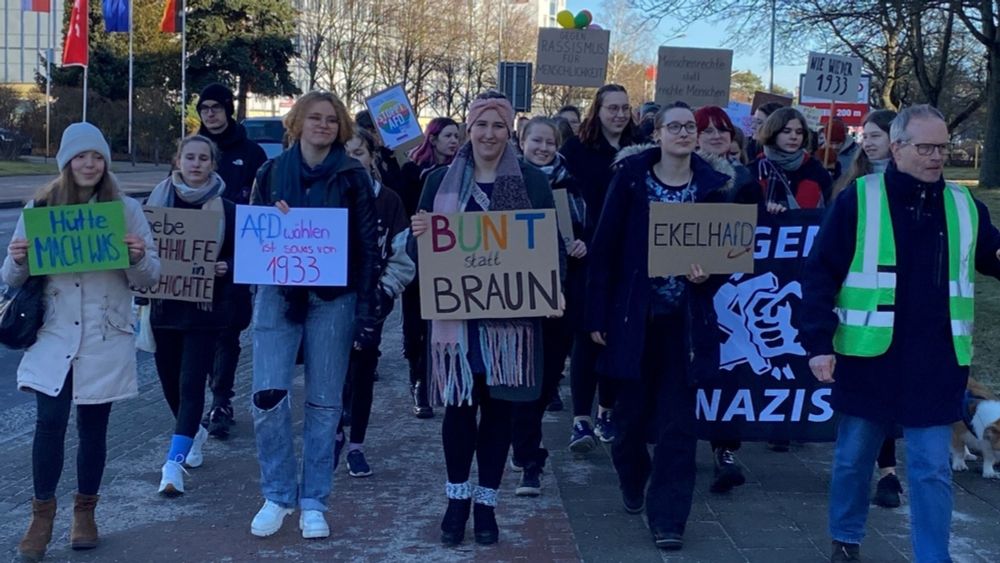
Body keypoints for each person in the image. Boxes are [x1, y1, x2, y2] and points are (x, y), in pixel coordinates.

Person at [801, 105, 1000, 563]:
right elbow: (820, 274)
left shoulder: (965, 205)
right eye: (926, 147)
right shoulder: (859, 199)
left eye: (943, 147)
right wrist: (817, 343)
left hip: (938, 361)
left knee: (932, 469)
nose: (937, 156)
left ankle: (934, 557)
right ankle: (845, 538)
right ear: (897, 147)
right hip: (870, 360)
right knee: (853, 460)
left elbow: (993, 254)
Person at [4, 123, 160, 561]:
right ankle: (40, 516)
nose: (89, 164)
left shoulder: (125, 209)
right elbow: (9, 278)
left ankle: (85, 512)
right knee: (48, 424)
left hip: (104, 332)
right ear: (66, 162)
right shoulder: (41, 205)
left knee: (94, 427)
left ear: (105, 163)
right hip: (54, 331)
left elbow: (151, 277)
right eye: (80, 157)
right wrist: (18, 260)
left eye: (96, 157)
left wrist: (138, 257)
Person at [410, 91, 557, 547]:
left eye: (498, 126)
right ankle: (457, 499)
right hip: (458, 319)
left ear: (508, 130)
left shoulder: (532, 182)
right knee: (458, 407)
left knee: (499, 410)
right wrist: (418, 234)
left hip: (510, 320)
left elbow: (547, 245)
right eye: (481, 126)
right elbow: (422, 255)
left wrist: (553, 289)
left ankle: (488, 501)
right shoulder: (438, 182)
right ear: (467, 131)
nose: (488, 134)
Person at [586, 102, 732, 551]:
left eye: (691, 127)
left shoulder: (713, 187)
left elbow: (724, 257)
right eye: (676, 126)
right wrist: (596, 316)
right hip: (634, 319)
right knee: (629, 422)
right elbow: (604, 249)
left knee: (677, 425)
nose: (685, 133)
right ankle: (633, 476)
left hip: (683, 325)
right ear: (659, 134)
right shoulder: (630, 182)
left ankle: (669, 517)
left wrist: (709, 275)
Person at [246, 91, 379, 540]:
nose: (322, 125)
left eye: (330, 119)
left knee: (324, 403)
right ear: (297, 122)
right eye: (314, 118)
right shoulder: (270, 172)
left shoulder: (352, 177)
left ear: (340, 126)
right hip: (278, 293)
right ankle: (278, 493)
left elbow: (365, 245)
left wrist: (366, 306)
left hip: (334, 297)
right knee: (268, 395)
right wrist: (272, 219)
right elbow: (254, 235)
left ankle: (314, 500)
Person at [147, 135, 238, 496]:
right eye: (190, 157)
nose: (196, 164)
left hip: (205, 311)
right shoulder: (154, 204)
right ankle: (193, 431)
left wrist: (225, 266)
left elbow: (244, 255)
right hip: (164, 309)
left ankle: (173, 463)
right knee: (170, 385)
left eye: (204, 158)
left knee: (190, 385)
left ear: (213, 164)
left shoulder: (227, 209)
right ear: (178, 161)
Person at [828, 109, 903, 509]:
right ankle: (866, 473)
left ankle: (888, 471)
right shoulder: (850, 184)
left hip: (898, 309)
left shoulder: (913, 187)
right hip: (859, 309)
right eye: (865, 135)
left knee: (887, 398)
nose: (868, 142)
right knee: (863, 403)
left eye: (876, 135)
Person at [509, 117, 585, 497]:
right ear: (521, 142)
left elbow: (587, 229)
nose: (543, 148)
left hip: (560, 296)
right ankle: (529, 456)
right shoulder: (506, 181)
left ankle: (523, 438)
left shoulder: (571, 184)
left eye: (550, 142)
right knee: (525, 377)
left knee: (548, 377)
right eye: (536, 140)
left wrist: (582, 245)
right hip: (517, 296)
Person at [560, 84, 637, 450]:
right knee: (584, 338)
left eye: (625, 108)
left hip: (626, 258)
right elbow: (563, 196)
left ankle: (607, 410)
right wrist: (570, 237)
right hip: (587, 257)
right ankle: (581, 420)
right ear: (598, 111)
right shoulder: (575, 150)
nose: (619, 114)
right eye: (612, 108)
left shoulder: (640, 149)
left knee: (615, 336)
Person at [339, 129, 415, 477]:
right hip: (330, 302)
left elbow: (402, 256)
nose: (353, 159)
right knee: (331, 371)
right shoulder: (325, 197)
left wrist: (384, 292)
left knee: (364, 369)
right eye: (346, 153)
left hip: (372, 300)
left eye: (360, 152)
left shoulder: (389, 200)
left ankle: (357, 444)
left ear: (372, 157)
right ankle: (334, 433)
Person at [195, 83, 267, 439]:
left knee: (229, 329)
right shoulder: (193, 150)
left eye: (216, 107)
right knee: (203, 330)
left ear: (228, 110)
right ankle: (207, 393)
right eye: (204, 108)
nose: (210, 113)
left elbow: (265, 201)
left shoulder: (251, 153)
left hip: (239, 254)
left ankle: (221, 399)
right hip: (198, 255)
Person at [693, 105, 752, 493]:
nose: (716, 136)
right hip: (682, 284)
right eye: (708, 130)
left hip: (727, 288)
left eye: (723, 130)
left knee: (726, 367)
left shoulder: (745, 178)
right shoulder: (676, 174)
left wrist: (773, 214)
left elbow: (758, 230)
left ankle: (725, 448)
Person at [399, 117, 460, 418]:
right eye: (448, 135)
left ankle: (434, 380)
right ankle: (417, 379)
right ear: (433, 138)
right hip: (419, 256)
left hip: (449, 257)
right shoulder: (412, 171)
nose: (454, 141)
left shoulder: (462, 172)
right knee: (415, 323)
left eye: (457, 136)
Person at [750, 107, 833, 214]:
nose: (794, 137)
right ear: (773, 133)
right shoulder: (755, 169)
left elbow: (830, 209)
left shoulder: (817, 171)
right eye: (786, 131)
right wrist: (764, 210)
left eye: (799, 132)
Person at [355, 109, 404, 191]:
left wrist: (389, 158)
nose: (370, 136)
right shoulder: (354, 156)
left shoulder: (389, 156)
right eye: (366, 132)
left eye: (374, 131)